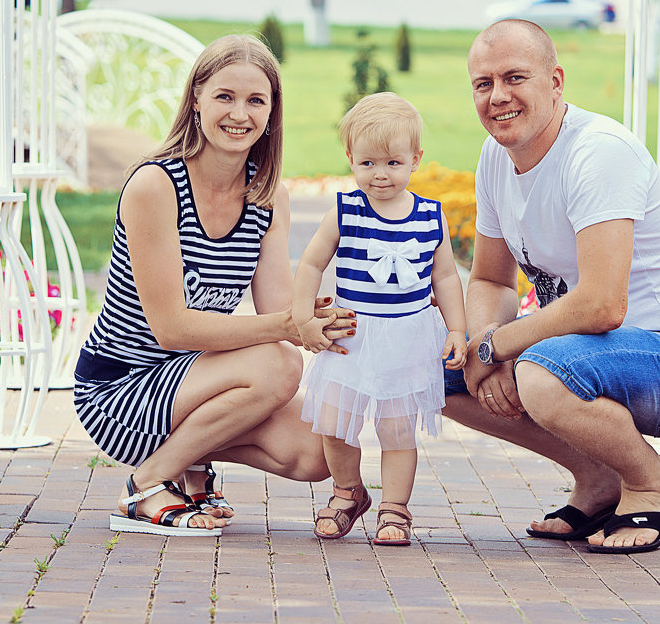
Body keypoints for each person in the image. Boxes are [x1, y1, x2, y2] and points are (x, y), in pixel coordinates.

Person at [446, 19, 660, 554]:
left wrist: (497, 345)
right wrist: (480, 343)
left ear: (556, 81)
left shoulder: (598, 151)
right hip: (585, 354)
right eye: (482, 84)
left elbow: (603, 305)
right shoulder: (496, 158)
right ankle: (601, 479)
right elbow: (490, 277)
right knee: (434, 367)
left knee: (540, 373)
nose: (498, 96)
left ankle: (649, 482)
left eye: (515, 77)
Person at [74, 34, 354, 536]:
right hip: (120, 387)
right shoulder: (155, 185)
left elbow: (277, 311)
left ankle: (190, 464)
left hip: (194, 379)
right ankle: (148, 484)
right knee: (278, 363)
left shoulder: (267, 197)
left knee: (317, 450)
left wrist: (325, 317)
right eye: (224, 96)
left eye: (255, 100)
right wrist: (289, 326)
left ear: (272, 113)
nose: (239, 114)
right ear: (197, 98)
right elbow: (172, 331)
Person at [293, 93, 467, 546]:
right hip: (352, 333)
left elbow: (445, 275)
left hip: (406, 337)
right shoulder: (346, 209)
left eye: (393, 162)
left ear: (415, 160)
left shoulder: (430, 215)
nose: (381, 174)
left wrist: (457, 329)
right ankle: (347, 492)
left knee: (396, 427)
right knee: (335, 422)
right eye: (367, 163)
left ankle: (395, 509)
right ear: (351, 159)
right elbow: (311, 264)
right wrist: (301, 318)